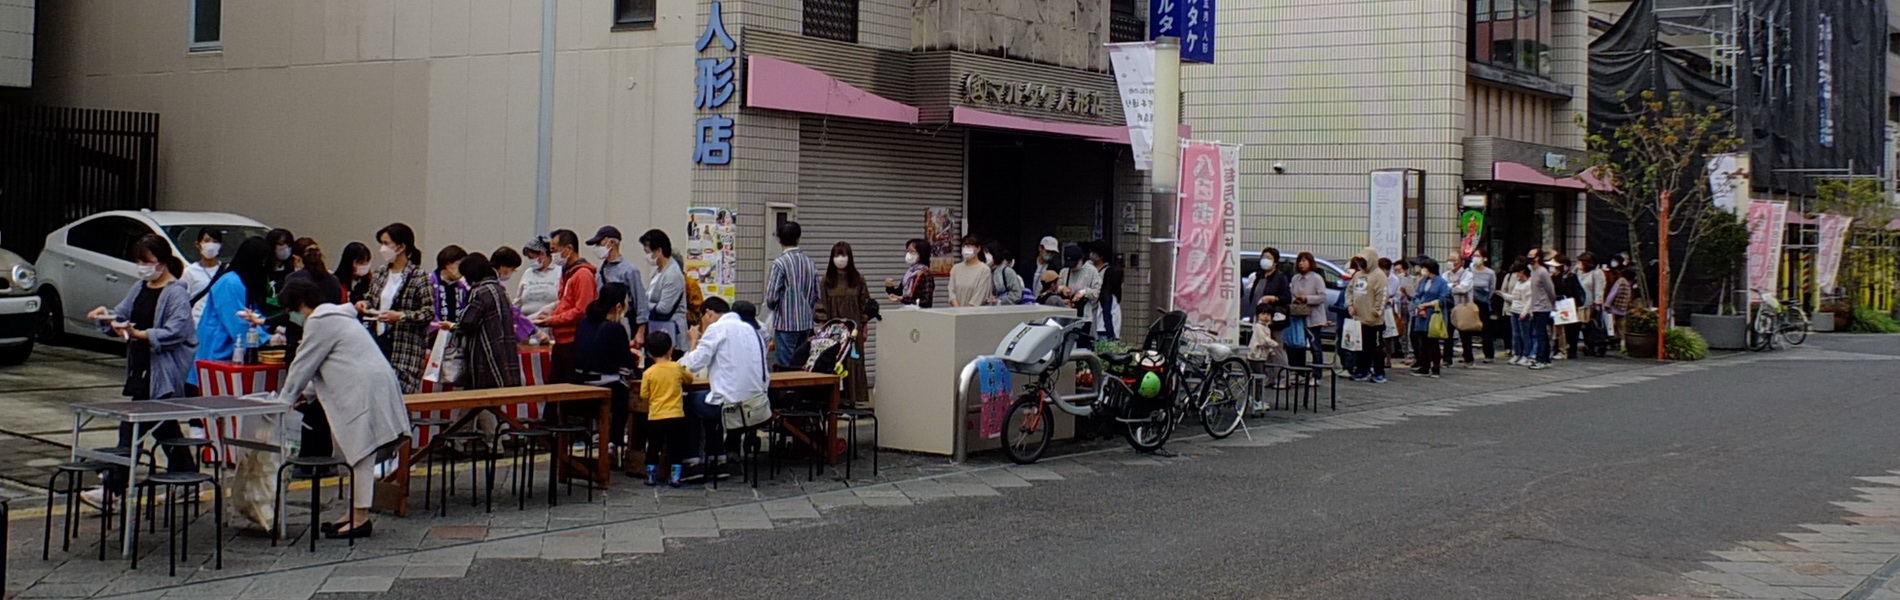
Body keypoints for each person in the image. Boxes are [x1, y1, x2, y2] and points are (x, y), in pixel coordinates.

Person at [273, 278, 410, 539]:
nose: (290, 316)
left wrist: (282, 402)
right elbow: (324, 363)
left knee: (361, 452)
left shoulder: (320, 321)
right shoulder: (336, 316)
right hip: (371, 386)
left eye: (290, 310)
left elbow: (303, 365)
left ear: (300, 305)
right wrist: (307, 395)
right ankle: (352, 512)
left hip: (363, 391)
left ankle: (360, 518)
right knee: (355, 452)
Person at [79, 234, 198, 510]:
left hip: (163, 371)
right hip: (141, 367)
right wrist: (106, 317)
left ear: (163, 262)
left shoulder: (176, 292)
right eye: (138, 261)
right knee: (164, 427)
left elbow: (176, 331)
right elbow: (121, 314)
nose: (141, 266)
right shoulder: (140, 287)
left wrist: (139, 333)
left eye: (146, 261)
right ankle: (187, 479)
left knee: (131, 425)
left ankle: (113, 490)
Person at [681, 297, 770, 478]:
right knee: (712, 397)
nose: (702, 324)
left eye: (701, 319)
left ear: (709, 314)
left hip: (731, 408)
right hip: (758, 406)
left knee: (690, 401)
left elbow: (693, 364)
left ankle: (691, 462)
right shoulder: (753, 331)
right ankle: (718, 458)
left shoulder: (717, 329)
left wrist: (692, 342)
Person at [359, 223, 435, 393]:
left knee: (399, 398)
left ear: (401, 247)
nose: (382, 248)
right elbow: (371, 299)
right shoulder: (380, 273)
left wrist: (401, 316)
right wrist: (365, 305)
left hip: (404, 349)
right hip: (378, 343)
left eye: (387, 244)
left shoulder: (419, 276)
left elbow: (428, 313)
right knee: (375, 395)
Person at [189, 237, 271, 390]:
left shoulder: (245, 281)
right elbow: (237, 320)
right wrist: (267, 339)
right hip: (217, 352)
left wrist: (269, 325)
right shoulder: (230, 282)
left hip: (231, 352)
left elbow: (253, 313)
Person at [576, 283, 637, 456]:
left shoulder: (584, 322)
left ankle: (597, 437)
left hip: (581, 381)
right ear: (618, 306)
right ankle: (615, 440)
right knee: (627, 394)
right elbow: (626, 362)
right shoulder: (615, 328)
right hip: (606, 385)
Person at [532, 229, 598, 390]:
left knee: (568, 388)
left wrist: (552, 320)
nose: (551, 254)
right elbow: (565, 302)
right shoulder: (567, 273)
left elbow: (582, 310)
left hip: (573, 340)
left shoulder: (582, 275)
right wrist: (550, 313)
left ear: (568, 249)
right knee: (554, 385)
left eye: (554, 250)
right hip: (561, 340)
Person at [452, 253, 522, 390]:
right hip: (505, 355)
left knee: (482, 401)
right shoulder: (499, 289)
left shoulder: (481, 291)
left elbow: (467, 322)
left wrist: (452, 325)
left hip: (487, 358)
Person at [817, 242, 873, 409]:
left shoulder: (858, 279)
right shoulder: (826, 281)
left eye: (843, 255)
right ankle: (836, 400)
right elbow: (822, 306)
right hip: (833, 331)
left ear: (850, 257)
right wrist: (823, 327)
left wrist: (864, 324)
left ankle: (853, 400)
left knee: (853, 362)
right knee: (835, 362)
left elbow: (865, 303)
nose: (840, 259)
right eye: (837, 255)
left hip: (854, 329)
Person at [639, 331, 693, 487]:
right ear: (671, 349)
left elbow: (644, 394)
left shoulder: (648, 373)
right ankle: (675, 476)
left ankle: (650, 475)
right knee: (675, 446)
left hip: (656, 415)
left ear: (648, 353)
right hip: (676, 414)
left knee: (653, 446)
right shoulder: (676, 367)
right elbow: (689, 379)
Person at [765, 221, 821, 366]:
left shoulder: (780, 264)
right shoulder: (810, 263)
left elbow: (771, 297)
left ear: (778, 239)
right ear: (798, 239)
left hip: (785, 324)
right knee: (801, 363)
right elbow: (817, 294)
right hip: (806, 323)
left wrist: (775, 307)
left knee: (786, 366)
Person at [588, 226, 650, 349]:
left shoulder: (629, 270)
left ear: (611, 243)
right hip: (605, 324)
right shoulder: (601, 270)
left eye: (599, 243)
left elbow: (641, 302)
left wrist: (640, 332)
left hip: (625, 323)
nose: (597, 248)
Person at [638, 229, 691, 356]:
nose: (647, 256)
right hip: (658, 332)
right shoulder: (657, 272)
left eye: (648, 252)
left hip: (673, 335)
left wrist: (645, 305)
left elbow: (664, 308)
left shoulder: (672, 274)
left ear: (659, 251)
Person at [1347, 247, 1388, 383]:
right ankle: (1361, 370)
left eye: (1363, 260)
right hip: (1359, 319)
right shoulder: (1358, 275)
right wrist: (1350, 306)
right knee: (1361, 347)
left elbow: (1382, 296)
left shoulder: (1379, 276)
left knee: (1376, 348)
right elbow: (1350, 291)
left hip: (1374, 321)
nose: (1360, 263)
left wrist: (1376, 311)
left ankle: (1379, 372)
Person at [1454, 250, 1498, 366]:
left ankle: (1489, 354)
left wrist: (1486, 298)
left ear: (1484, 258)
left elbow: (1492, 288)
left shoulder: (1490, 273)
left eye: (1478, 256)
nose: (1475, 258)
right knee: (1466, 328)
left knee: (1485, 329)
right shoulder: (1468, 271)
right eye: (1474, 256)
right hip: (1469, 302)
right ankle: (1468, 356)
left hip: (1482, 304)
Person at [1408, 256, 1450, 378]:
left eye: (1423, 268)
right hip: (1421, 314)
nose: (1422, 270)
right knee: (1423, 341)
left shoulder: (1441, 282)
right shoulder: (1423, 281)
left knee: (1433, 342)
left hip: (1433, 314)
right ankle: (1424, 367)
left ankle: (1436, 367)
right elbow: (1417, 295)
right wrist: (1419, 306)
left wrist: (1427, 305)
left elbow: (1443, 299)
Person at [515, 236, 561, 344]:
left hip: (550, 330)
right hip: (528, 331)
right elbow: (517, 302)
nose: (531, 261)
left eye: (532, 257)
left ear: (542, 254)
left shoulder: (559, 272)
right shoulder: (528, 273)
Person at [1289, 252, 1328, 375]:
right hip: (1298, 317)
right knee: (1298, 345)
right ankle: (1300, 372)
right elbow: (1291, 294)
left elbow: (1322, 297)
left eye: (1304, 260)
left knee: (1315, 346)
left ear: (1311, 263)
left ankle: (1317, 374)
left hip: (1314, 318)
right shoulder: (1295, 278)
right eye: (1300, 261)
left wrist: (1307, 299)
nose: (1301, 263)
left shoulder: (1316, 278)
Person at [181, 228, 224, 325]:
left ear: (221, 245)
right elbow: (183, 302)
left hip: (219, 325)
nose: (211, 245)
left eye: (215, 241)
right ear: (198, 244)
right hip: (197, 324)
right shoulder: (189, 272)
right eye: (207, 241)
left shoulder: (226, 271)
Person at [287, 238, 343, 306]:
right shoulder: (334, 280)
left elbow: (287, 303)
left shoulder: (294, 279)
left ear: (296, 258)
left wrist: (297, 273)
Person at [429, 245, 470, 334]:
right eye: (459, 265)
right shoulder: (430, 282)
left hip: (454, 334)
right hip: (434, 335)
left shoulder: (462, 286)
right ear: (447, 264)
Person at [1526, 256, 1557, 369]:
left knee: (1541, 334)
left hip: (1543, 307)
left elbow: (1550, 289)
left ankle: (1541, 359)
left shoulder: (1543, 272)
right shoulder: (1533, 272)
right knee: (1541, 333)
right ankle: (1545, 359)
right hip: (1535, 307)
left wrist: (1552, 303)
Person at [1501, 259, 1533, 366]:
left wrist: (1525, 312)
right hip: (1514, 310)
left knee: (1525, 334)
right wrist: (1503, 295)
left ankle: (1526, 355)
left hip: (1523, 312)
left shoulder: (1529, 284)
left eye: (1518, 272)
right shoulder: (1518, 283)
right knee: (1515, 334)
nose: (1516, 275)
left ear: (1523, 272)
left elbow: (1529, 300)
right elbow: (1515, 297)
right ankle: (1517, 353)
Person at [886, 239, 935, 308]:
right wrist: (890, 288)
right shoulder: (909, 273)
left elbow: (926, 302)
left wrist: (903, 299)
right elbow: (900, 293)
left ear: (921, 253)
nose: (908, 254)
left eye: (912, 252)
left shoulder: (925, 274)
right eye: (907, 251)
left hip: (921, 313)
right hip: (909, 310)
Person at [948, 235, 993, 308]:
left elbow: (980, 295)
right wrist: (957, 309)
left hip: (975, 315)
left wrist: (966, 312)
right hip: (956, 313)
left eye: (969, 246)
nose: (966, 249)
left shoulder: (984, 270)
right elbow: (951, 291)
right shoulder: (956, 268)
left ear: (978, 249)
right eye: (964, 246)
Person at [1576, 252, 1606, 357]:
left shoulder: (1596, 273)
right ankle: (1587, 345)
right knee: (1583, 326)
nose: (1578, 264)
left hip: (1592, 304)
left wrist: (1598, 301)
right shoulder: (1578, 272)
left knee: (1593, 325)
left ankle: (1595, 345)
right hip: (1580, 303)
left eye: (1580, 262)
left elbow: (1599, 288)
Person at [264, 228, 298, 304]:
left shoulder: (293, 268)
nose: (286, 248)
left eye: (289, 245)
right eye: (281, 244)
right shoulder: (263, 269)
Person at [985, 242, 1024, 307]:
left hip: (1004, 310)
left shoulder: (1007, 271)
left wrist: (999, 301)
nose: (985, 255)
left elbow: (1017, 294)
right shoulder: (983, 272)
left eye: (987, 252)